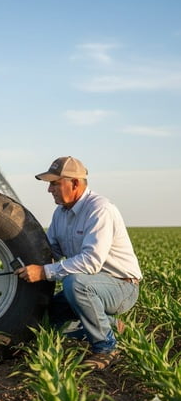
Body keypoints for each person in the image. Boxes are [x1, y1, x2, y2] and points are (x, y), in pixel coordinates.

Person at [15, 156, 141, 370]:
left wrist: (44, 272)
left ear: (74, 183)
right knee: (43, 318)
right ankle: (110, 325)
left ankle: (105, 347)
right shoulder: (60, 213)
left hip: (121, 285)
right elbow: (51, 251)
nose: (49, 190)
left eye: (54, 183)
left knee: (75, 283)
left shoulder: (99, 209)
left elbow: (91, 262)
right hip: (89, 284)